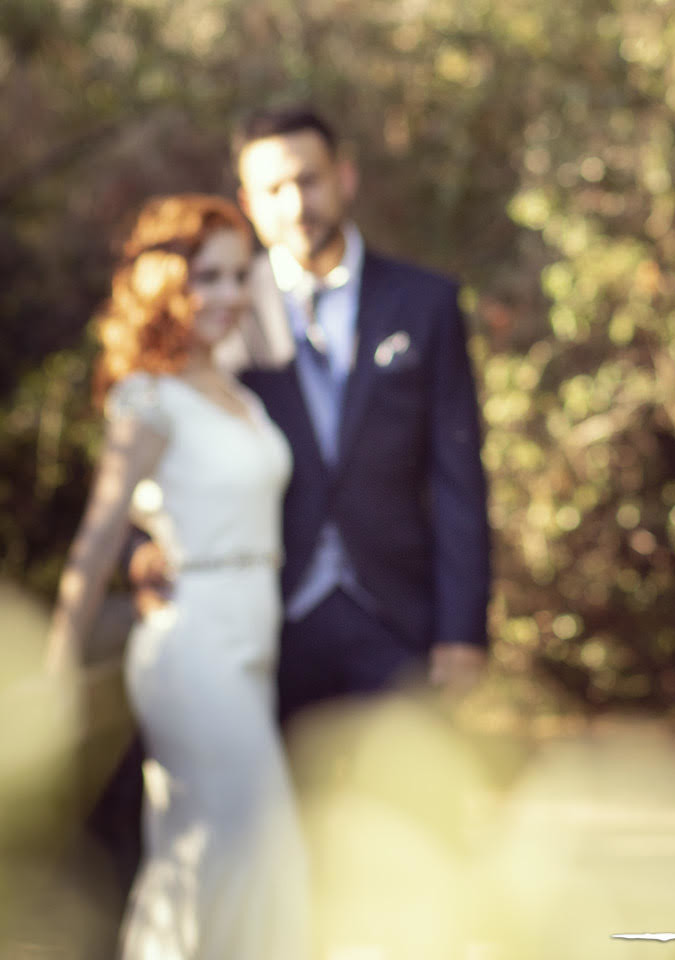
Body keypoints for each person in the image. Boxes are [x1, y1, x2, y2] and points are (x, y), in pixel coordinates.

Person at [47, 194, 307, 959]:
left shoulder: (242, 390)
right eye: (205, 279)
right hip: (190, 644)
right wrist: (59, 667)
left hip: (252, 635)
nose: (228, 297)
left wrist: (239, 268)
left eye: (238, 276)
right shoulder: (149, 400)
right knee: (255, 840)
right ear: (167, 284)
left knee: (194, 849)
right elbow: (97, 542)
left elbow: (274, 338)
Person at [215, 104, 491, 722]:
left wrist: (463, 630)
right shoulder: (226, 310)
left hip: (398, 616)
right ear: (249, 203)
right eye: (273, 190)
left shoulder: (426, 302)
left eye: (308, 180)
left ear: (344, 177)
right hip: (269, 621)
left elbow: (457, 478)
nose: (295, 204)